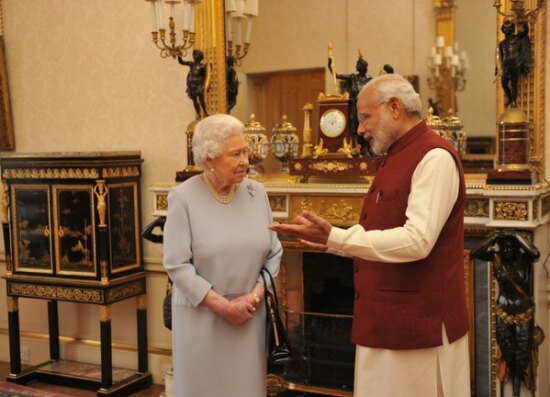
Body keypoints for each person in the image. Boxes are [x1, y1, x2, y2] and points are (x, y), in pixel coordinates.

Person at [270, 74, 470, 396]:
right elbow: (382, 230)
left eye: (365, 117)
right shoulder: (395, 156)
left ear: (394, 107)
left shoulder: (434, 157)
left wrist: (337, 238)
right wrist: (330, 238)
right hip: (383, 323)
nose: (360, 130)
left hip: (418, 330)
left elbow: (418, 240)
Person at [163, 113, 282, 396]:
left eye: (246, 152)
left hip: (249, 317)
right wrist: (223, 307)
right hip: (201, 319)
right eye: (235, 154)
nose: (245, 161)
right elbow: (177, 265)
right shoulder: (183, 197)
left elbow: (274, 252)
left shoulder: (258, 193)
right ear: (209, 159)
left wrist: (252, 298)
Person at [328, 54, 372, 156]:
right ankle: (357, 148)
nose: (356, 67)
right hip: (355, 107)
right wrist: (330, 65)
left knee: (368, 126)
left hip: (368, 107)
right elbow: (337, 75)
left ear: (363, 68)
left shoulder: (369, 79)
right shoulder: (352, 77)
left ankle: (367, 148)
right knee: (356, 128)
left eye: (358, 65)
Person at [498, 19, 532, 108]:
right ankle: (510, 98)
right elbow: (501, 56)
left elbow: (526, 31)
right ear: (503, 30)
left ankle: (513, 101)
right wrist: (498, 67)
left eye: (508, 28)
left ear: (512, 29)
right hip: (506, 64)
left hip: (515, 62)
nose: (507, 30)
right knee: (503, 82)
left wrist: (524, 20)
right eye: (505, 29)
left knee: (514, 83)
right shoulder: (502, 43)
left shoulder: (517, 38)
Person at [178, 49, 209, 119]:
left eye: (196, 55)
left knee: (201, 100)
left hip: (199, 85)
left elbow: (205, 77)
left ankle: (205, 111)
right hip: (192, 86)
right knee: (194, 100)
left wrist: (203, 85)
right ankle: (198, 113)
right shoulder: (191, 64)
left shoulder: (203, 66)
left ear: (200, 57)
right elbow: (181, 62)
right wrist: (179, 55)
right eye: (194, 55)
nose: (195, 56)